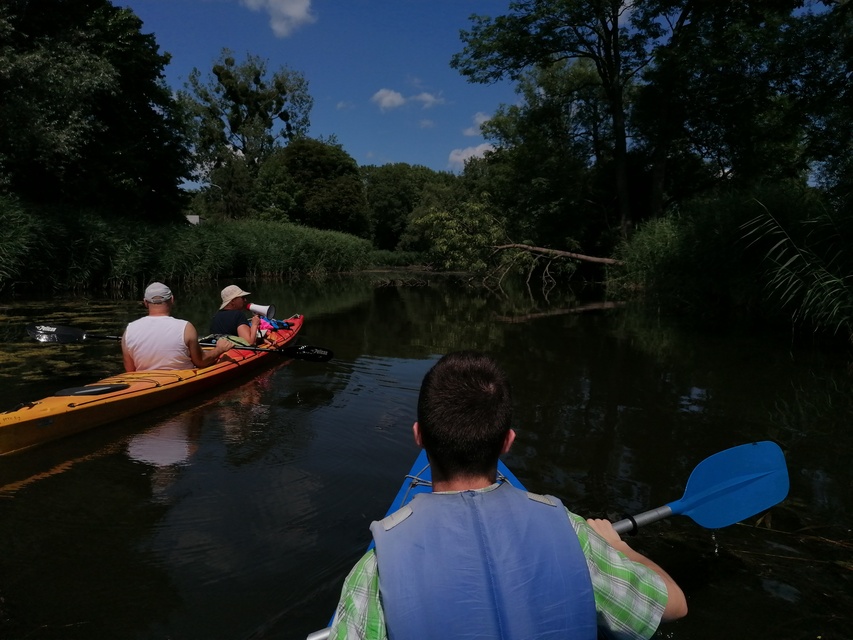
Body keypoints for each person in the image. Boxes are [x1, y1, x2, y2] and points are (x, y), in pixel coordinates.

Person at [328, 351, 687, 640]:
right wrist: (619, 547)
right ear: (507, 442)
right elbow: (674, 605)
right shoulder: (572, 534)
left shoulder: (375, 571)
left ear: (419, 436)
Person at [122, 282, 233, 372]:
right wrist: (220, 349)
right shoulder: (186, 328)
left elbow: (130, 371)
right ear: (172, 300)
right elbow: (201, 362)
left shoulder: (129, 330)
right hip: (179, 379)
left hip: (143, 384)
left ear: (145, 302)